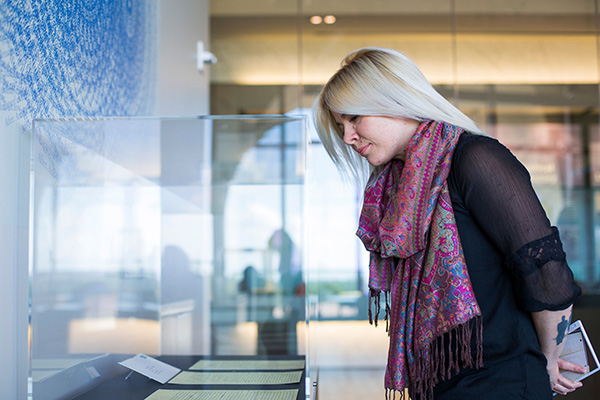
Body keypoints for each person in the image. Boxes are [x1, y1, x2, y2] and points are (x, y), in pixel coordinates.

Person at [313, 47, 585, 400]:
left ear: (395, 100)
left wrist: (548, 359)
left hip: (501, 381)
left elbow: (547, 272)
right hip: (440, 384)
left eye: (354, 118)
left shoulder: (473, 158)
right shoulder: (397, 187)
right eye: (340, 126)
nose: (348, 137)